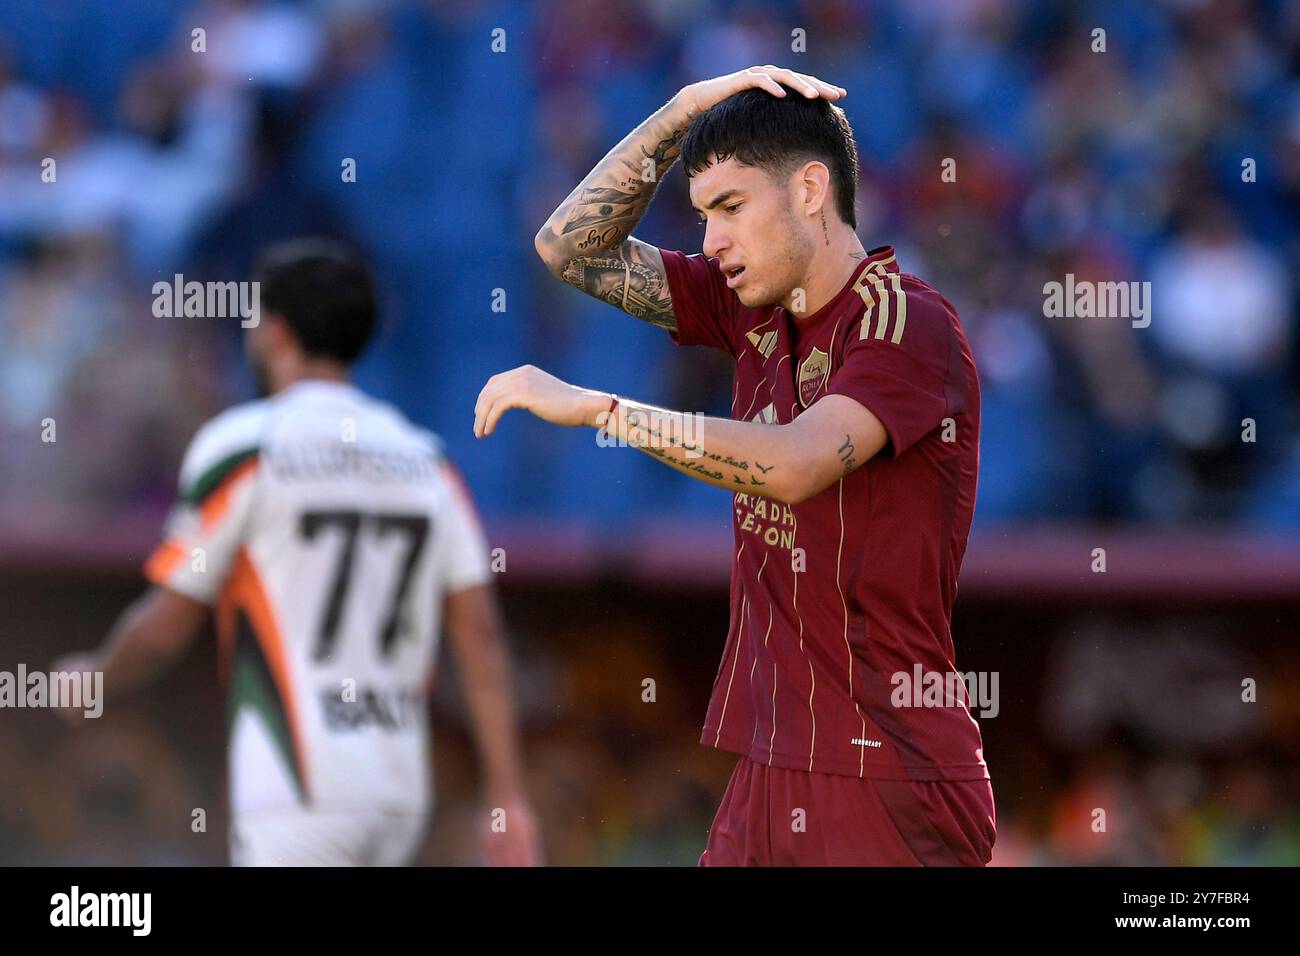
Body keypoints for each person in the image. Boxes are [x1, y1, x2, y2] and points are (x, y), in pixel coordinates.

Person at [477, 66, 994, 865]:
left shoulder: (906, 322)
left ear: (812, 190)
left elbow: (793, 465)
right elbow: (567, 246)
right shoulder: (748, 307)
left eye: (730, 208)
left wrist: (603, 411)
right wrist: (685, 110)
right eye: (702, 214)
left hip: (889, 765)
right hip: (775, 766)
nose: (711, 241)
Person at [56, 239, 541, 866]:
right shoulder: (427, 461)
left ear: (276, 331)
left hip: (296, 777)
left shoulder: (244, 447)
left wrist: (95, 677)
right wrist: (507, 796)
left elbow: (166, 624)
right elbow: (480, 639)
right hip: (396, 787)